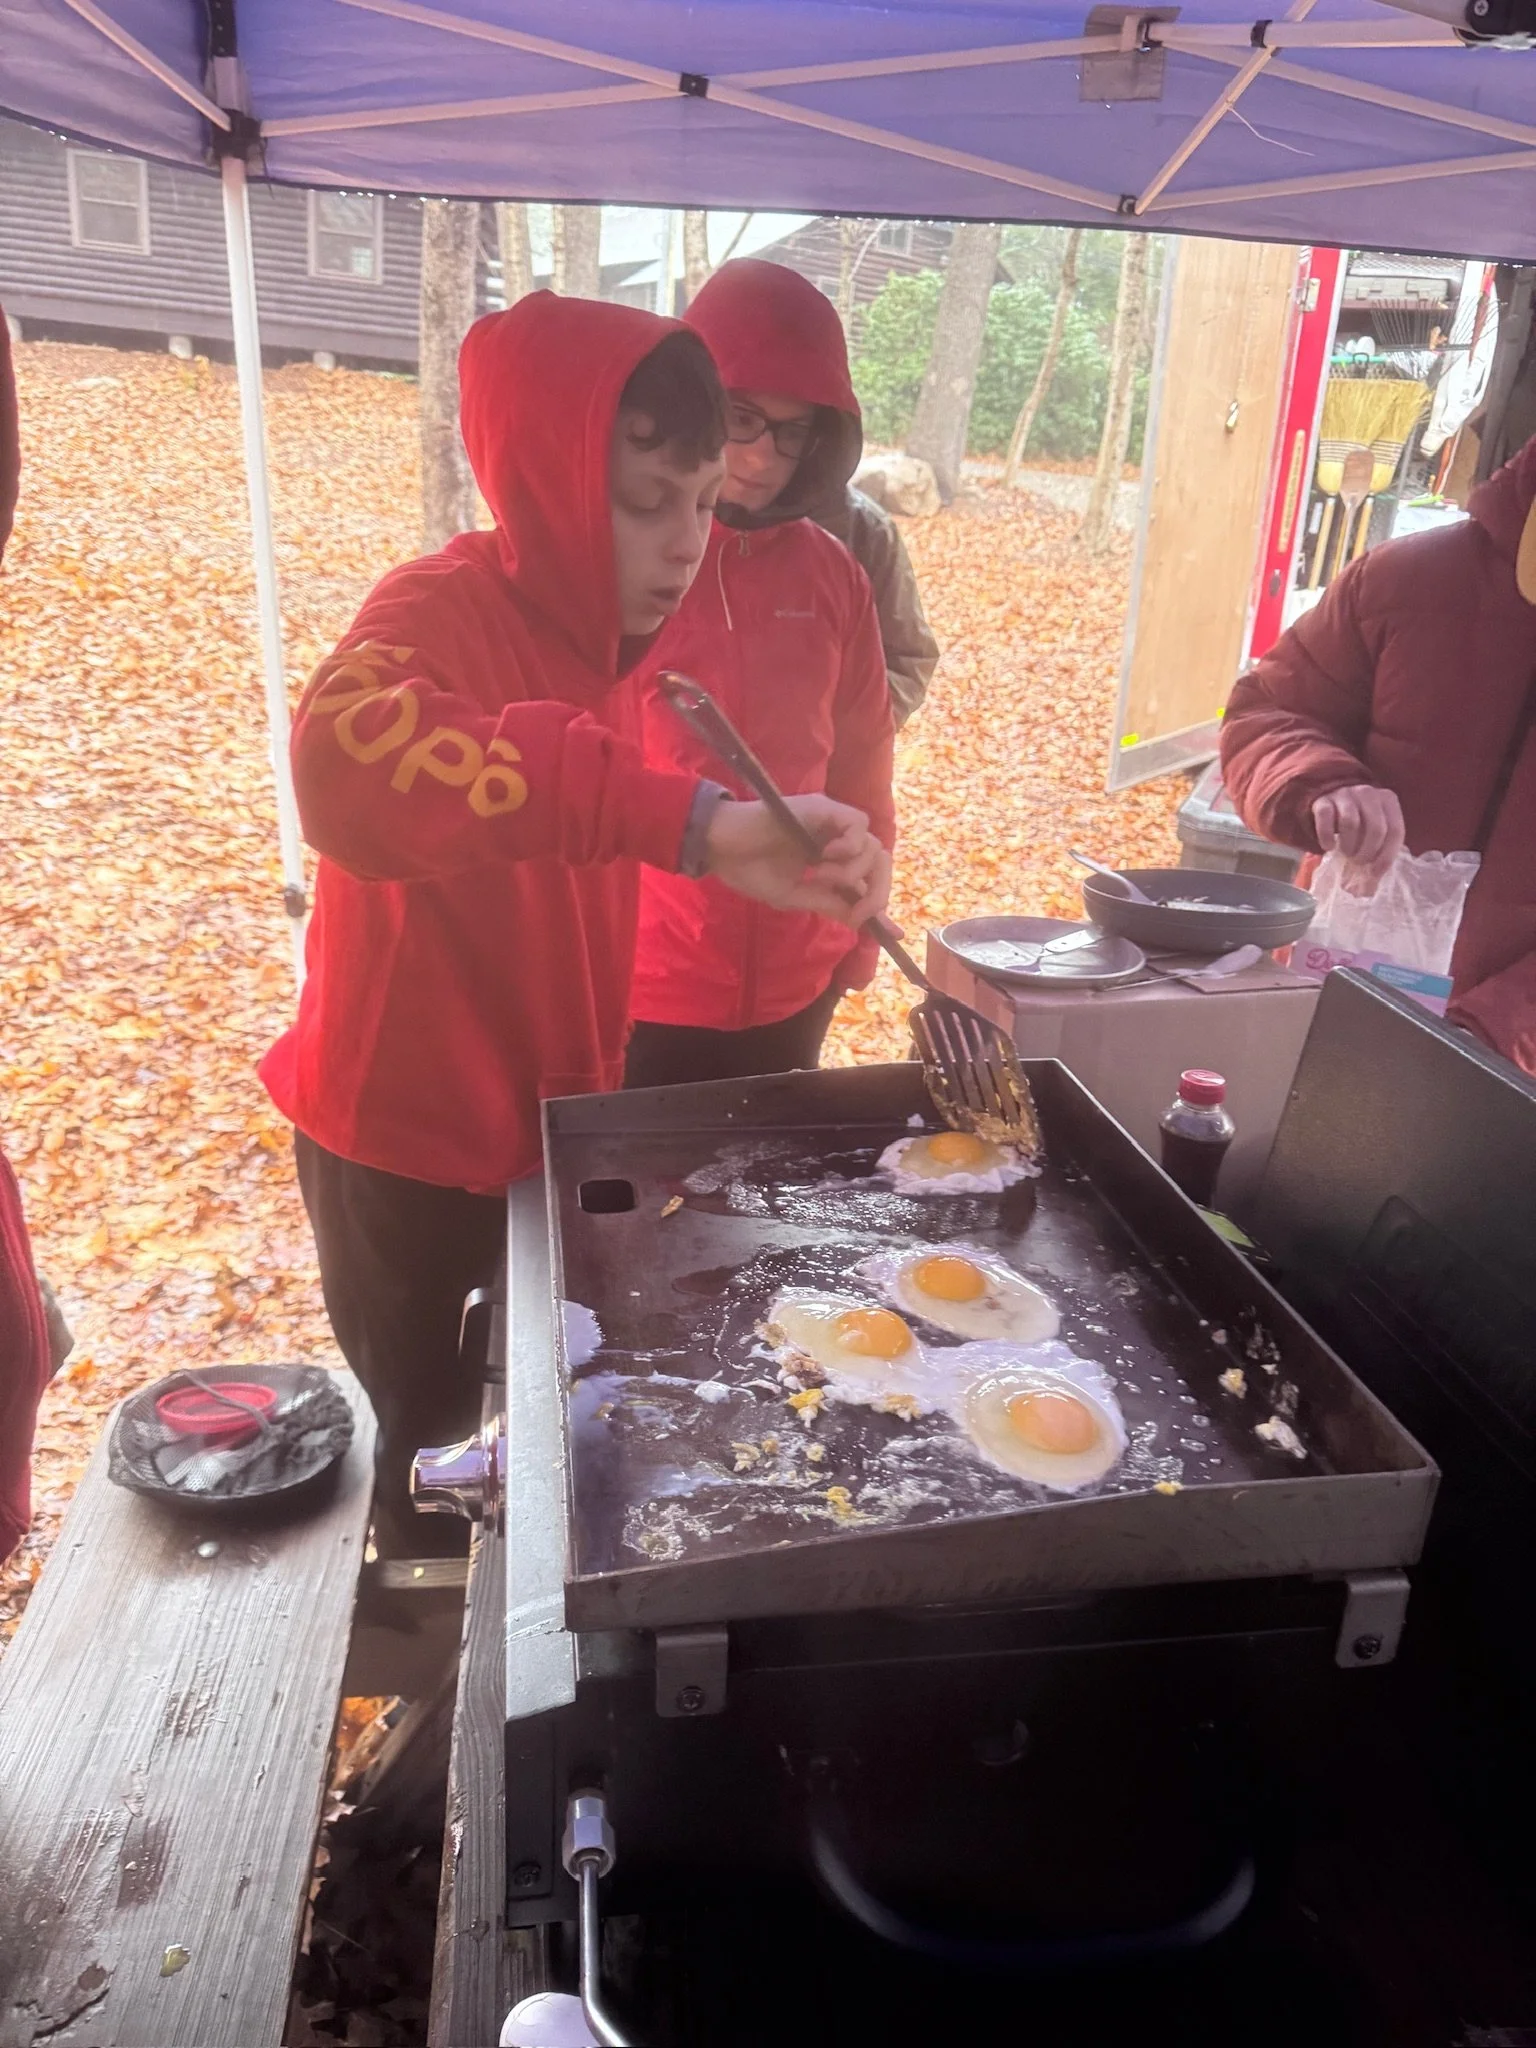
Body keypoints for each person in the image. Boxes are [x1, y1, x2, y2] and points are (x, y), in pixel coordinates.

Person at [260, 294, 889, 1554]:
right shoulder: (436, 605)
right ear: (543, 482)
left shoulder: (610, 634)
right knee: (428, 1445)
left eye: (703, 503)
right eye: (645, 503)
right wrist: (691, 824)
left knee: (539, 1422)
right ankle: (425, 1681)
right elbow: (338, 769)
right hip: (401, 1134)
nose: (685, 546)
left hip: (544, 1121)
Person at [623, 260, 898, 1090]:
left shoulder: (835, 575)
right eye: (741, 416)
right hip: (641, 979)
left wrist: (856, 938)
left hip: (795, 978)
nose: (760, 455)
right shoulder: (630, 554)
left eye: (792, 430)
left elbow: (863, 766)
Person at [1220, 429, 1536, 1075]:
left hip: (1511, 1077)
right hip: (1327, 1002)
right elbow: (1269, 711)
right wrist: (1322, 783)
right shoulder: (1408, 580)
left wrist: (1496, 1032)